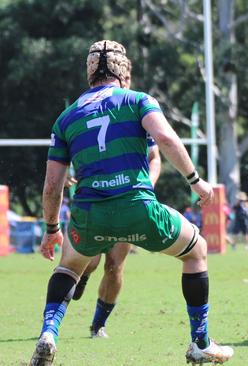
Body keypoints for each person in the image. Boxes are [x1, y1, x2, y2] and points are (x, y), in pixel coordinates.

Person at [30, 40, 233, 365]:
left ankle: (48, 333)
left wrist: (52, 229)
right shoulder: (138, 100)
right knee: (196, 251)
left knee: (68, 267)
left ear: (89, 72)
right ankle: (201, 342)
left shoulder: (66, 118)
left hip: (89, 216)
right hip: (138, 209)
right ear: (125, 71)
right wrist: (196, 181)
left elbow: (53, 185)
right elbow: (165, 139)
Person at [63, 58, 163, 340]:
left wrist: (146, 187)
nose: (126, 81)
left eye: (129, 77)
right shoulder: (86, 109)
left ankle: (98, 326)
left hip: (129, 197)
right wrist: (71, 174)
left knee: (115, 264)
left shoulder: (137, 110)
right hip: (95, 198)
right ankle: (82, 274)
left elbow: (155, 158)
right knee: (91, 261)